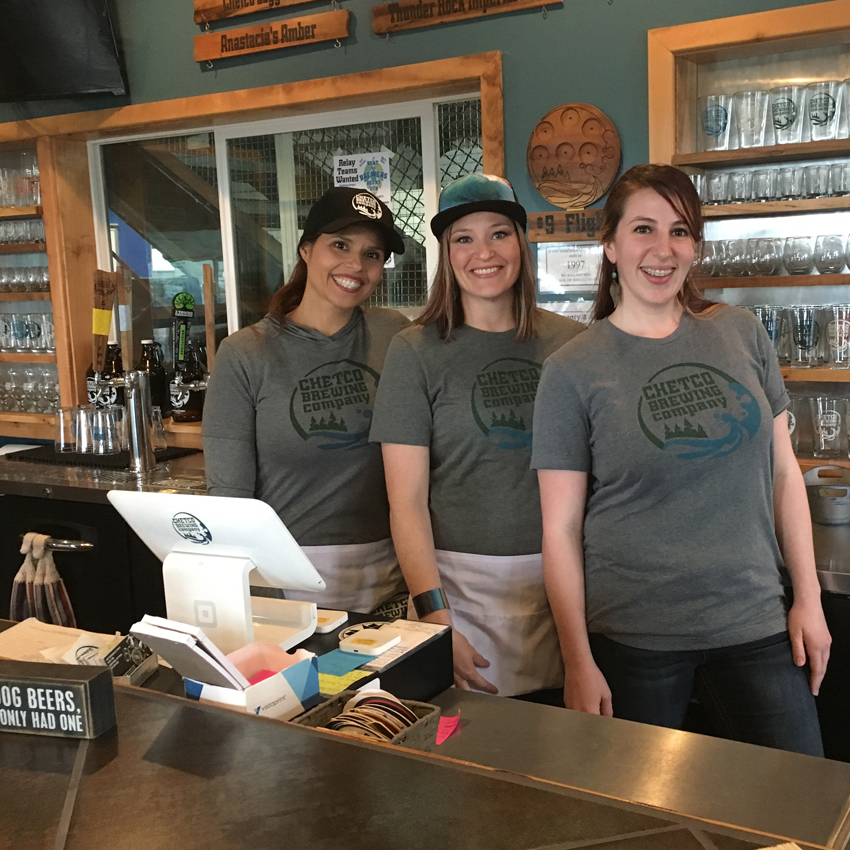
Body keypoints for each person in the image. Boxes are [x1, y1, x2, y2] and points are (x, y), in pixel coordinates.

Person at [532, 163, 830, 755]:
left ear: (696, 244)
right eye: (643, 229)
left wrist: (809, 598)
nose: (662, 249)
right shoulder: (572, 369)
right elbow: (560, 530)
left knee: (800, 813)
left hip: (755, 621)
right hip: (633, 638)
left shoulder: (741, 334)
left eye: (680, 231)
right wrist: (577, 659)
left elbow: (782, 475)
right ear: (611, 245)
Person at [370, 173, 585, 698]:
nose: (482, 252)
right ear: (446, 253)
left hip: (572, 591)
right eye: (463, 238)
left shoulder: (575, 343)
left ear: (521, 243)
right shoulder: (414, 351)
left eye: (499, 234)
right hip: (460, 599)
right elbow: (407, 505)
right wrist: (439, 621)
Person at [203, 187, 411, 614]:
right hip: (283, 579)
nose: (356, 265)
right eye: (340, 246)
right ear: (306, 249)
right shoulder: (245, 352)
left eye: (373, 255)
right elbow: (229, 494)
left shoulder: (396, 336)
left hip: (389, 580)